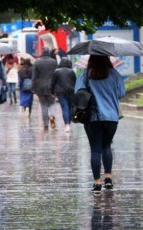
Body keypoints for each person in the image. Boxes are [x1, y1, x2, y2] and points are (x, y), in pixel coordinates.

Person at [74, 55, 126, 194]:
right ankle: (108, 179)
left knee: (95, 149)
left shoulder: (85, 74)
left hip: (92, 117)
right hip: (111, 117)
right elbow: (121, 92)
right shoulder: (114, 73)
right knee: (107, 146)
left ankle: (97, 182)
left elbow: (78, 93)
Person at [32, 47, 58, 130]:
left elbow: (34, 77)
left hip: (41, 87)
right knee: (52, 103)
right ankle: (52, 116)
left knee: (43, 106)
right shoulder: (54, 62)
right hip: (52, 87)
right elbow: (56, 74)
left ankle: (46, 124)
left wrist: (33, 88)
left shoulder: (37, 62)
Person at [51, 57, 76, 132]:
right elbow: (75, 81)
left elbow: (53, 82)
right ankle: (69, 122)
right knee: (70, 107)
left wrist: (52, 92)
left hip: (60, 92)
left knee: (64, 107)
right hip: (71, 91)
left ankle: (67, 125)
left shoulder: (57, 71)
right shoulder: (71, 71)